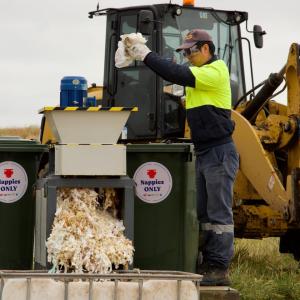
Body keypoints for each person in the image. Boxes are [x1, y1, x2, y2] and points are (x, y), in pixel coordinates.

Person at [123, 29, 239, 286]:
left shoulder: (215, 70)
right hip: (206, 151)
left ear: (206, 49)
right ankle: (207, 263)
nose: (186, 55)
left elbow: (177, 73)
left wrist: (146, 55)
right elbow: (177, 78)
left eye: (190, 50)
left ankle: (219, 269)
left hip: (219, 151)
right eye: (183, 51)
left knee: (219, 213)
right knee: (205, 214)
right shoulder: (200, 78)